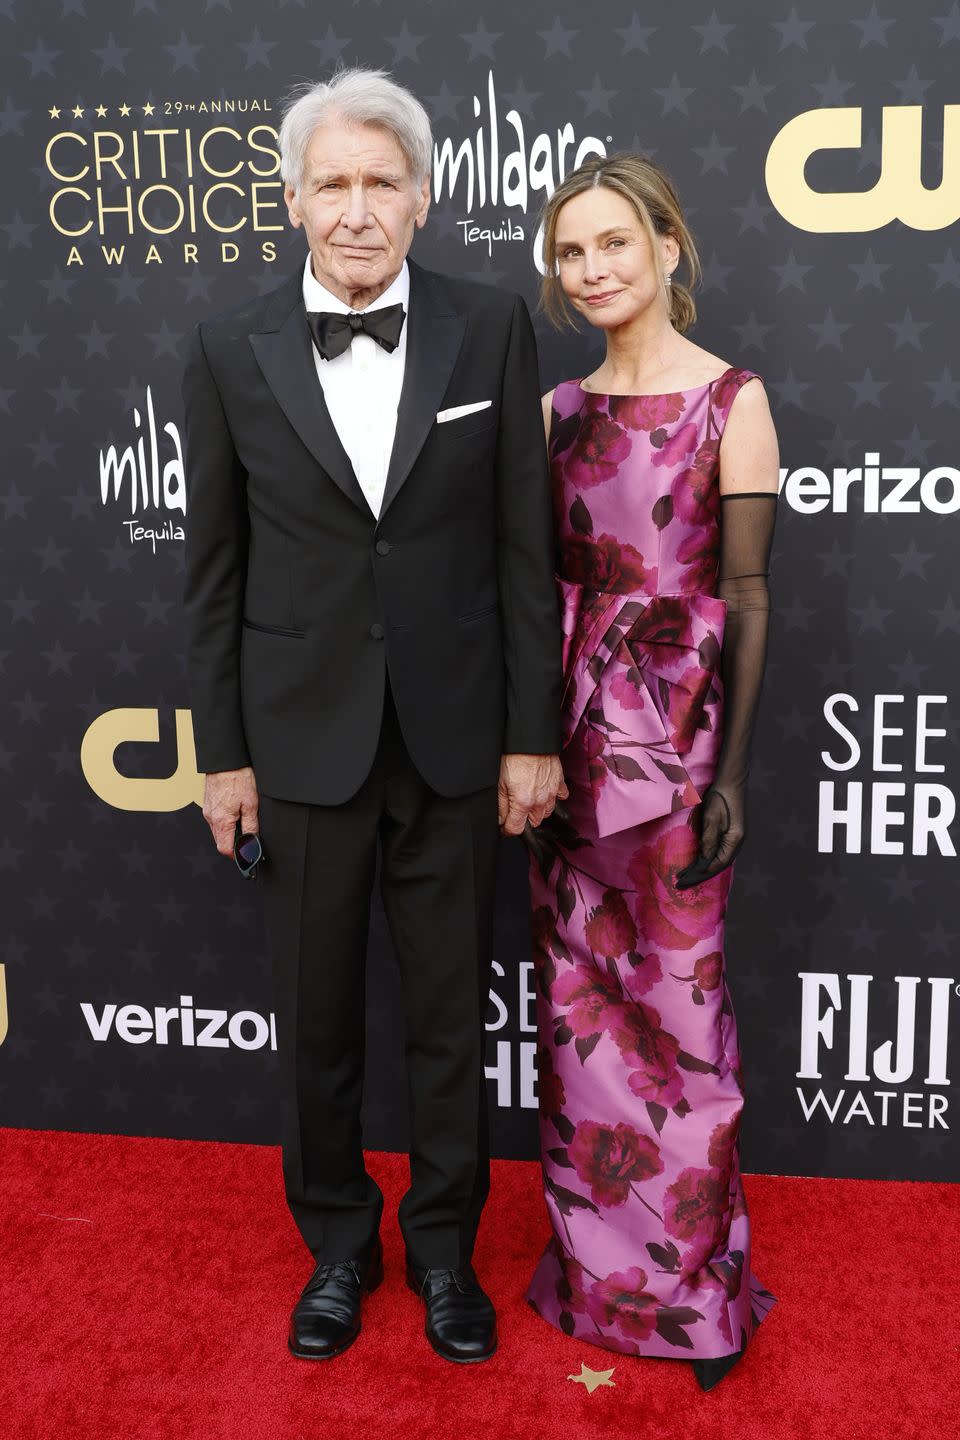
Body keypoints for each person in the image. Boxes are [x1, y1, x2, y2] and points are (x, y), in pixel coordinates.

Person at [181, 68, 565, 1365]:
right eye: (331, 184)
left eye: (380, 182)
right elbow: (213, 571)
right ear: (291, 199)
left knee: (453, 1016)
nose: (356, 209)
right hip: (297, 740)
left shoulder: (493, 328)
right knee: (320, 1022)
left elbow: (525, 547)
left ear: (422, 197)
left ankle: (448, 1253)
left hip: (458, 736)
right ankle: (339, 1247)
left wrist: (533, 734)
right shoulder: (229, 348)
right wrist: (221, 755)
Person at [524, 153, 779, 1392]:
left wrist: (731, 777)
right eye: (572, 254)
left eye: (616, 244)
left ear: (669, 247)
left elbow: (746, 592)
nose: (595, 271)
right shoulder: (557, 411)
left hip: (675, 749)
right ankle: (597, 1281)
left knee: (680, 1021)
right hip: (568, 746)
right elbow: (529, 598)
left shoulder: (734, 400)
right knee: (577, 1012)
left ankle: (693, 1298)